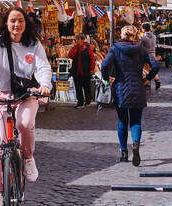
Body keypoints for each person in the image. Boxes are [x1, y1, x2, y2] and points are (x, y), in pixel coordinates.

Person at [0, 7, 52, 206]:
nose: (17, 25)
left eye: (20, 20)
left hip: (25, 95)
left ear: (26, 23)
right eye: (12, 20)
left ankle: (28, 157)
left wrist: (45, 85)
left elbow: (42, 67)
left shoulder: (34, 44)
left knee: (24, 124)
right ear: (6, 23)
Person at [101, 25, 159, 166]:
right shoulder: (141, 49)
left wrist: (107, 78)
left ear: (121, 35)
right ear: (134, 35)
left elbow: (104, 65)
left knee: (122, 122)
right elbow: (155, 65)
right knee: (135, 121)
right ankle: (136, 145)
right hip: (137, 87)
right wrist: (148, 78)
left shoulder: (115, 48)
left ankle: (123, 152)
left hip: (120, 88)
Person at [67, 34, 95, 108]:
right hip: (76, 71)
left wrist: (92, 69)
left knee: (86, 87)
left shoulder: (88, 48)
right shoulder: (75, 48)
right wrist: (74, 48)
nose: (77, 40)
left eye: (79, 39)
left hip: (86, 71)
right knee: (78, 87)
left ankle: (88, 101)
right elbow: (70, 55)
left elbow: (92, 59)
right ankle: (80, 102)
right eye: (76, 39)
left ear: (82, 40)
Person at [140, 23, 161, 90]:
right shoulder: (154, 36)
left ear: (144, 29)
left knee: (146, 69)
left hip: (146, 55)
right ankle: (157, 80)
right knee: (152, 69)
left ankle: (147, 84)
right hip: (153, 53)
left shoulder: (143, 37)